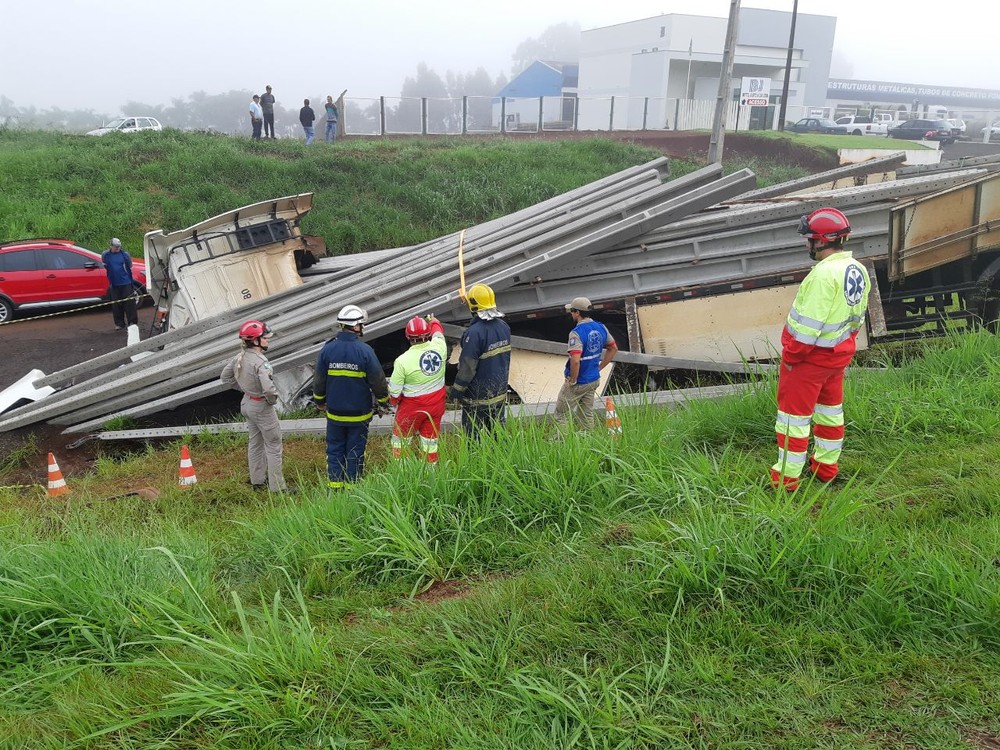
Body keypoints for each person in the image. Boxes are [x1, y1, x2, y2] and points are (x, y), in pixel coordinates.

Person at [771, 207, 871, 491]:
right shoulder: (857, 269)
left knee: (792, 421)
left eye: (810, 239)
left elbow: (806, 329)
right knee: (830, 413)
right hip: (837, 356)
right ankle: (826, 468)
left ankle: (786, 481)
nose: (808, 244)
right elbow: (856, 319)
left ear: (822, 240)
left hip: (808, 361)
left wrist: (791, 356)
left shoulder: (822, 275)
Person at [312, 304, 390, 489]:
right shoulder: (365, 351)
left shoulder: (327, 350)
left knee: (335, 449)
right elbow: (378, 381)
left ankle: (335, 487)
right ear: (355, 326)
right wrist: (383, 402)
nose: (362, 328)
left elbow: (319, 380)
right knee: (355, 450)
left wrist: (319, 401)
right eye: (361, 324)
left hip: (335, 414)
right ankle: (353, 487)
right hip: (359, 415)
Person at [220, 320, 288, 493]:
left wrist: (245, 389)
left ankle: (257, 481)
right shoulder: (260, 362)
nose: (268, 340)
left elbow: (225, 377)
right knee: (273, 445)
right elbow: (269, 389)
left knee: (255, 443)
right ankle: (278, 488)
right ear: (256, 340)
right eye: (265, 337)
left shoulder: (240, 357)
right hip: (261, 406)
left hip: (247, 403)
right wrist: (271, 400)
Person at [448, 283, 511, 438]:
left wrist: (457, 390)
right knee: (498, 435)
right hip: (499, 392)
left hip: (477, 397)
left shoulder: (474, 333)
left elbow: (467, 367)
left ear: (473, 305)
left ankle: (476, 460)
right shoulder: (504, 326)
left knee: (473, 437)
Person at [553, 297, 618, 432]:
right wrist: (599, 367)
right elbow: (613, 349)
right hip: (593, 379)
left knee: (561, 414)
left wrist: (573, 380)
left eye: (572, 311)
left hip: (579, 381)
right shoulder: (601, 327)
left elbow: (575, 360)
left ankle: (561, 444)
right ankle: (588, 442)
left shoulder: (576, 333)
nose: (571, 314)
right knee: (586, 414)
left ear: (577, 313)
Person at [388, 315, 447, 463]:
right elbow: (438, 332)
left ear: (408, 337)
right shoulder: (440, 347)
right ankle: (430, 472)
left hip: (411, 408)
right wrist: (433, 321)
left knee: (400, 441)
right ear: (428, 335)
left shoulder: (402, 361)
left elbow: (394, 392)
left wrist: (394, 401)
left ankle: (402, 472)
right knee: (430, 442)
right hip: (436, 405)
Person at [101, 237, 138, 331]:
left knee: (130, 304)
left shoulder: (125, 254)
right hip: (114, 284)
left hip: (126, 283)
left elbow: (130, 266)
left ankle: (132, 322)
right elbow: (105, 265)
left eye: (119, 247)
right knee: (116, 305)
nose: (117, 248)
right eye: (116, 247)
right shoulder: (106, 255)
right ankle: (119, 323)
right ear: (111, 246)